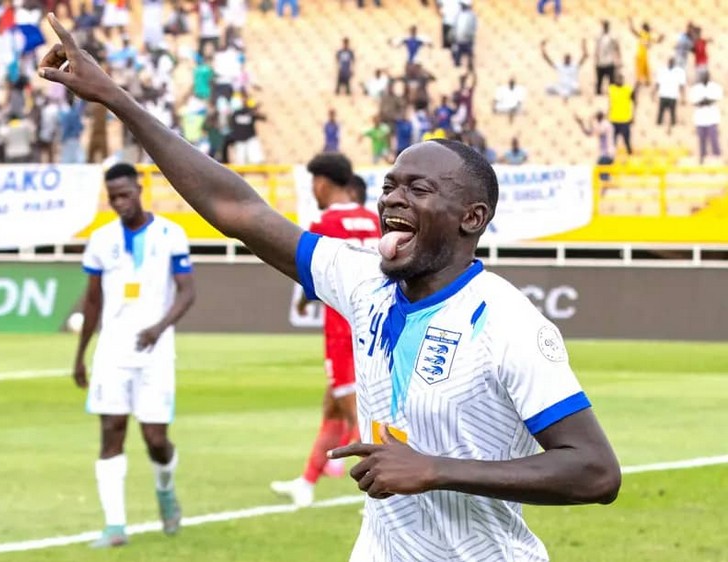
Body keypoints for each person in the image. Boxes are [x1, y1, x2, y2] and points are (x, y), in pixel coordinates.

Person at [39, 15, 622, 560]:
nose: (392, 199)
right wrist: (117, 100)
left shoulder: (506, 323)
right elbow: (236, 208)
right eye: (390, 186)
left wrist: (435, 468)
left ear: (472, 217)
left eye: (418, 190)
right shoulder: (363, 279)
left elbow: (595, 471)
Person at [72, 163, 196, 548]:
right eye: (113, 198)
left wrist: (159, 328)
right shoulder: (101, 240)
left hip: (155, 354)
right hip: (112, 353)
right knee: (111, 434)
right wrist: (80, 355)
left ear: (139, 189)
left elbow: (187, 291)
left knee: (155, 439)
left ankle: (166, 489)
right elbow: (92, 301)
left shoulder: (171, 234)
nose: (120, 203)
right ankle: (114, 527)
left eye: (125, 195)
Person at [270, 153, 380, 507]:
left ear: (321, 182)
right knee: (333, 409)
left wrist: (303, 300)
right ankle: (307, 481)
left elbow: (311, 273)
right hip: (373, 324)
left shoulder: (323, 223)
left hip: (342, 331)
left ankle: (389, 500)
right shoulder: (371, 219)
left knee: (355, 415)